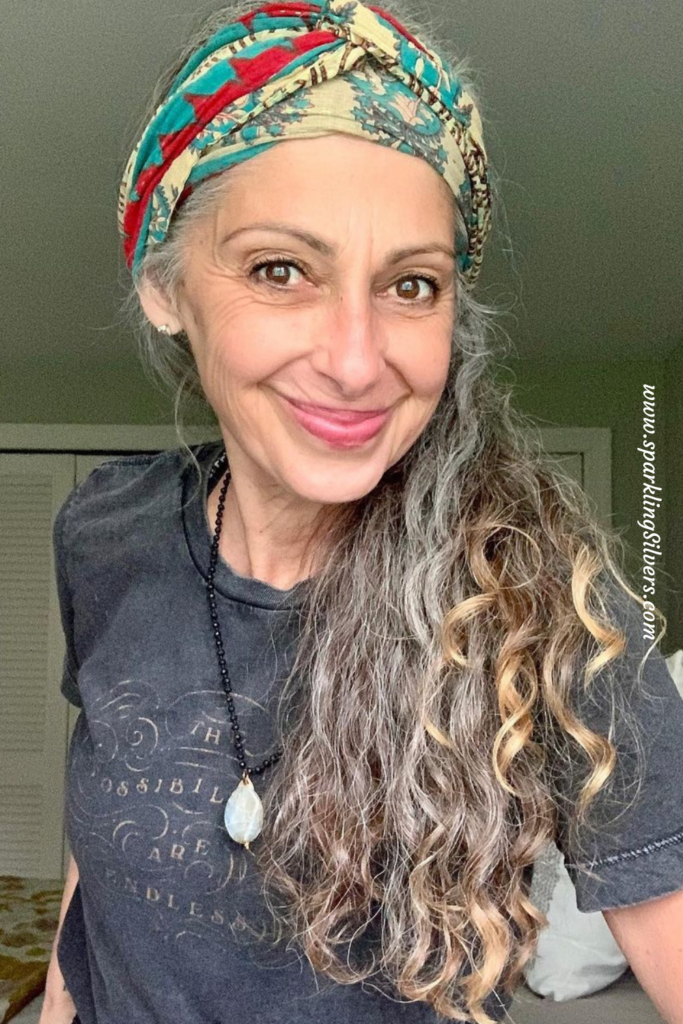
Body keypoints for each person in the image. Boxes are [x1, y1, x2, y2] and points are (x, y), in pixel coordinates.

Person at [40, 1, 683, 1023]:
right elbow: (99, 851)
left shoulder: (541, 600)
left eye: (411, 285)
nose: (353, 359)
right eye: (279, 270)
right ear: (165, 287)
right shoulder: (104, 529)